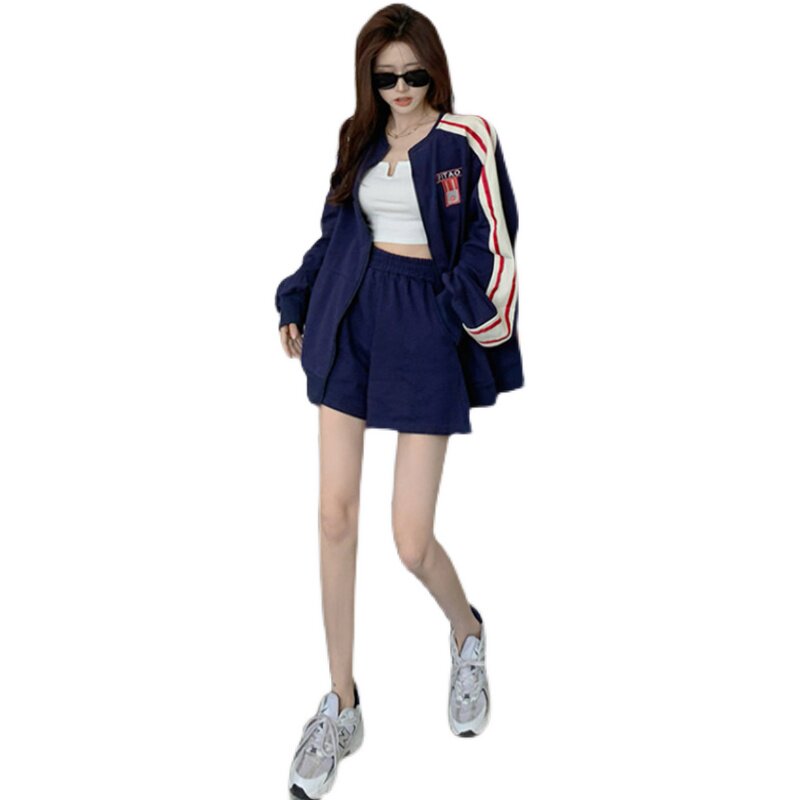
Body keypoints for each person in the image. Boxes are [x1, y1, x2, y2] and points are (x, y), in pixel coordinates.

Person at [276, 5, 523, 797]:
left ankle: (467, 631)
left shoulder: (467, 138)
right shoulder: (359, 138)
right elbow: (334, 236)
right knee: (333, 517)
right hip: (350, 314)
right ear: (370, 79)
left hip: (424, 322)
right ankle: (341, 704)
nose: (402, 89)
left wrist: (451, 313)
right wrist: (297, 297)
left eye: (415, 74)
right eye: (386, 78)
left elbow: (494, 240)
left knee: (411, 541)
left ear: (435, 71)